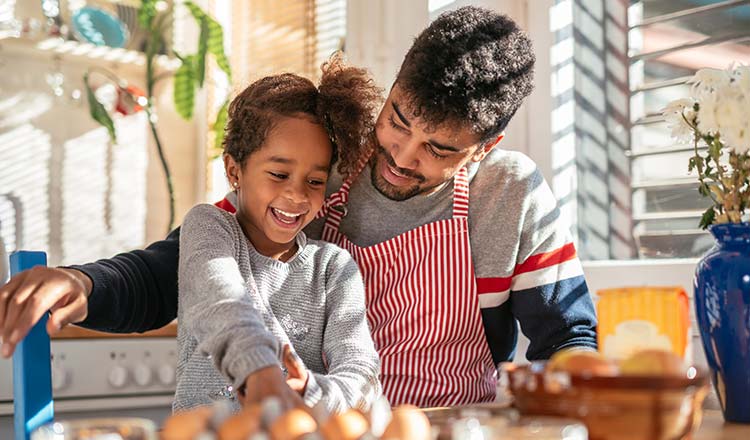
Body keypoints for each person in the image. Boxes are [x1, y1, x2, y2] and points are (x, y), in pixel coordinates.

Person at [0, 7, 596, 408]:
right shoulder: (323, 166)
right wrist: (85, 283)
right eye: (398, 120)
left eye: (438, 150)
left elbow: (567, 334)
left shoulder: (509, 193)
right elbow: (188, 267)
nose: (401, 156)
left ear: (484, 147)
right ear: (392, 91)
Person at [173, 56, 382, 413]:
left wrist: (311, 392)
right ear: (234, 170)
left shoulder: (333, 267)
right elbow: (221, 300)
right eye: (279, 175)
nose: (297, 196)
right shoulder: (209, 228)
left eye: (314, 182)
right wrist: (260, 371)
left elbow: (361, 373)